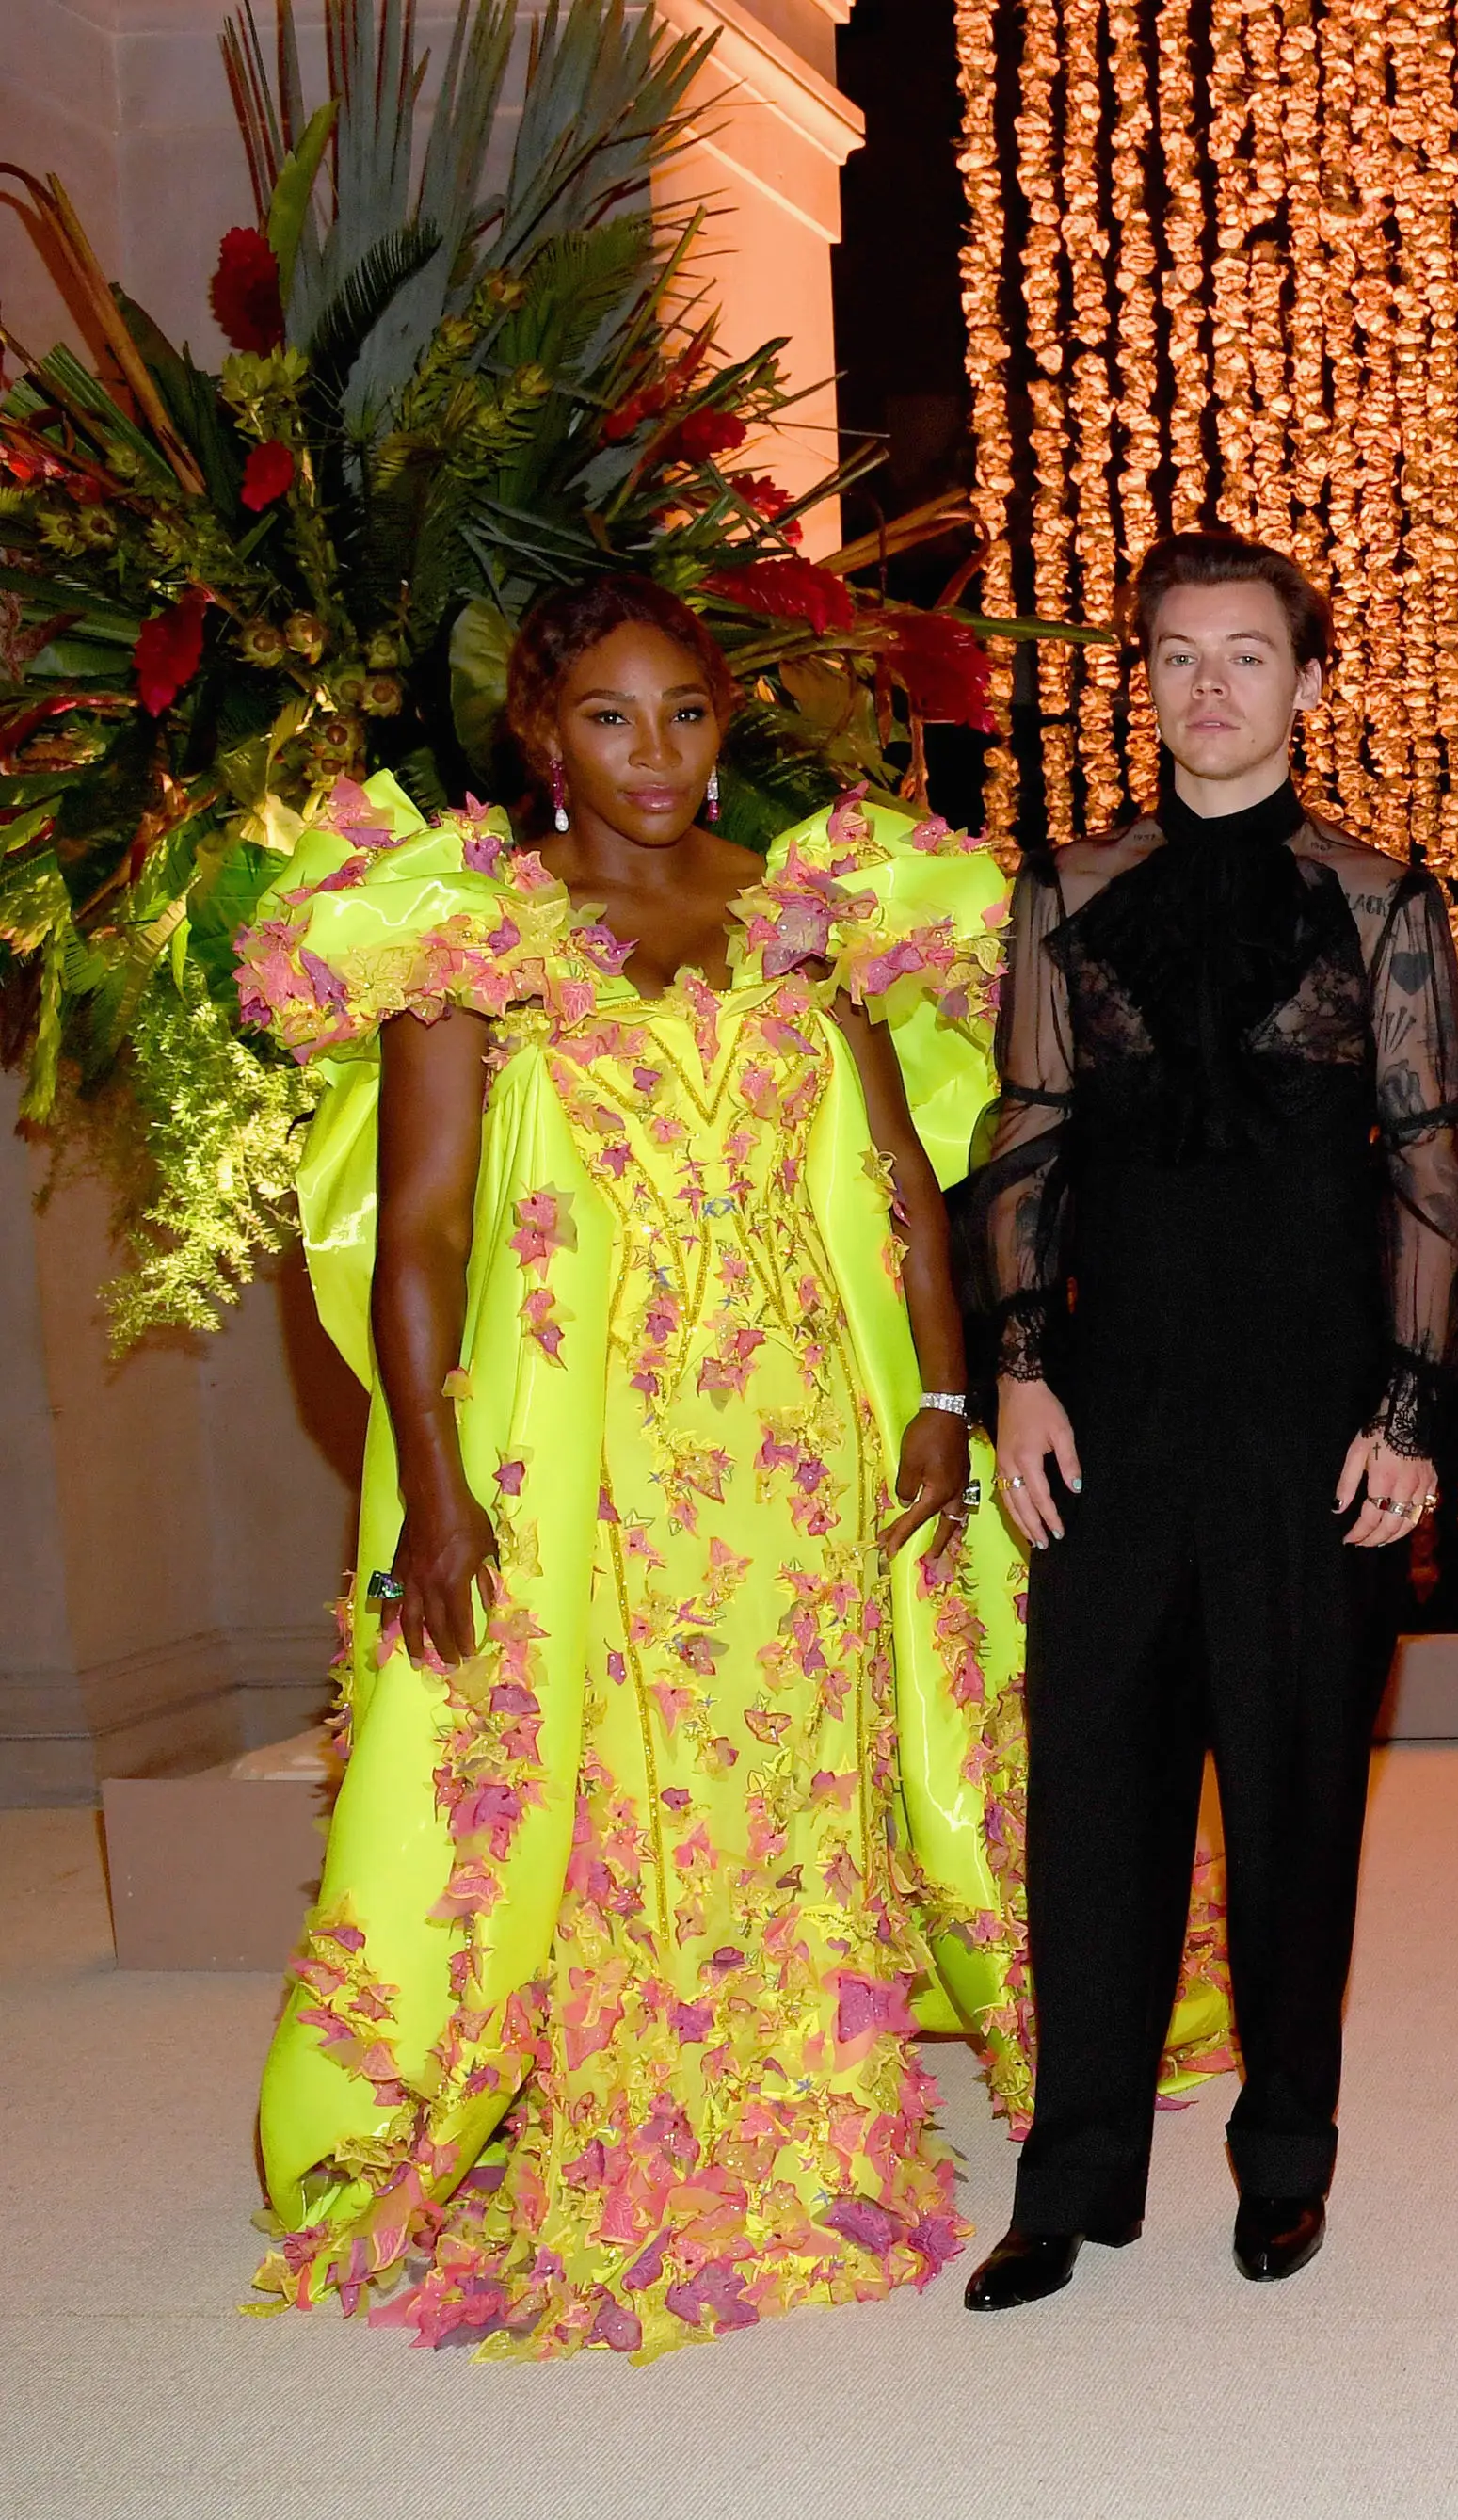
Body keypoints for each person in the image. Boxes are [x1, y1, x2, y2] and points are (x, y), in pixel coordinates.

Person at [236, 576, 1026, 2357]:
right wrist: (433, 1480)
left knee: (804, 1763)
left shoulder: (810, 909)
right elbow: (422, 1232)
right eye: (610, 714)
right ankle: (647, 2123)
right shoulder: (474, 932)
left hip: (809, 1429)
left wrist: (942, 1396)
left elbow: (905, 1181)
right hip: (596, 1447)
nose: (653, 752)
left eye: (683, 711)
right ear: (542, 731)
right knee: (613, 1777)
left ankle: (821, 2113)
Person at [959, 530, 1458, 2311]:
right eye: (1178, 657)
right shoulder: (1064, 889)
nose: (1211, 688)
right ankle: (1070, 2175)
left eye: (1247, 656)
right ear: (1148, 680)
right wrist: (1017, 1368)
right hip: (1111, 1413)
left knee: (1295, 1798)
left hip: (1314, 1420)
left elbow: (1428, 1168)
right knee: (1090, 1792)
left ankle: (1285, 2160)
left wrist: (1410, 1411)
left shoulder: (1383, 904)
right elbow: (1023, 1139)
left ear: (1309, 683)